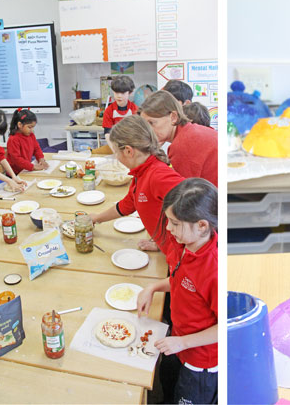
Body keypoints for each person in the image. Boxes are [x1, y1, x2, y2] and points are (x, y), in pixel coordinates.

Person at [138, 178, 218, 405]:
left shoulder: (214, 268)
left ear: (202, 225)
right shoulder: (186, 244)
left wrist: (183, 343)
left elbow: (226, 327)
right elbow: (180, 281)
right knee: (168, 382)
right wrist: (153, 287)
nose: (167, 228)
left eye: (174, 223)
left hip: (200, 361)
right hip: (179, 341)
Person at [90, 115, 184, 255]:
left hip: (181, 259)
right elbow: (128, 204)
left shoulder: (157, 175)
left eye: (116, 152)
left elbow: (196, 204)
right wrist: (97, 218)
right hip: (168, 250)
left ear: (128, 151)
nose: (116, 157)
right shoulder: (141, 172)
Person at [140, 90, 217, 187]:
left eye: (151, 123)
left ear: (173, 117)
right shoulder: (190, 131)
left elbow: (183, 193)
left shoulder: (182, 145)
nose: (148, 130)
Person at [5, 107, 49, 174]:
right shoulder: (13, 139)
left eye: (33, 127)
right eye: (29, 127)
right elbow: (16, 159)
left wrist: (41, 159)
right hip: (15, 173)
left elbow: (36, 149)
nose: (32, 130)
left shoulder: (31, 135)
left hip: (25, 170)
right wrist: (33, 167)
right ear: (20, 125)